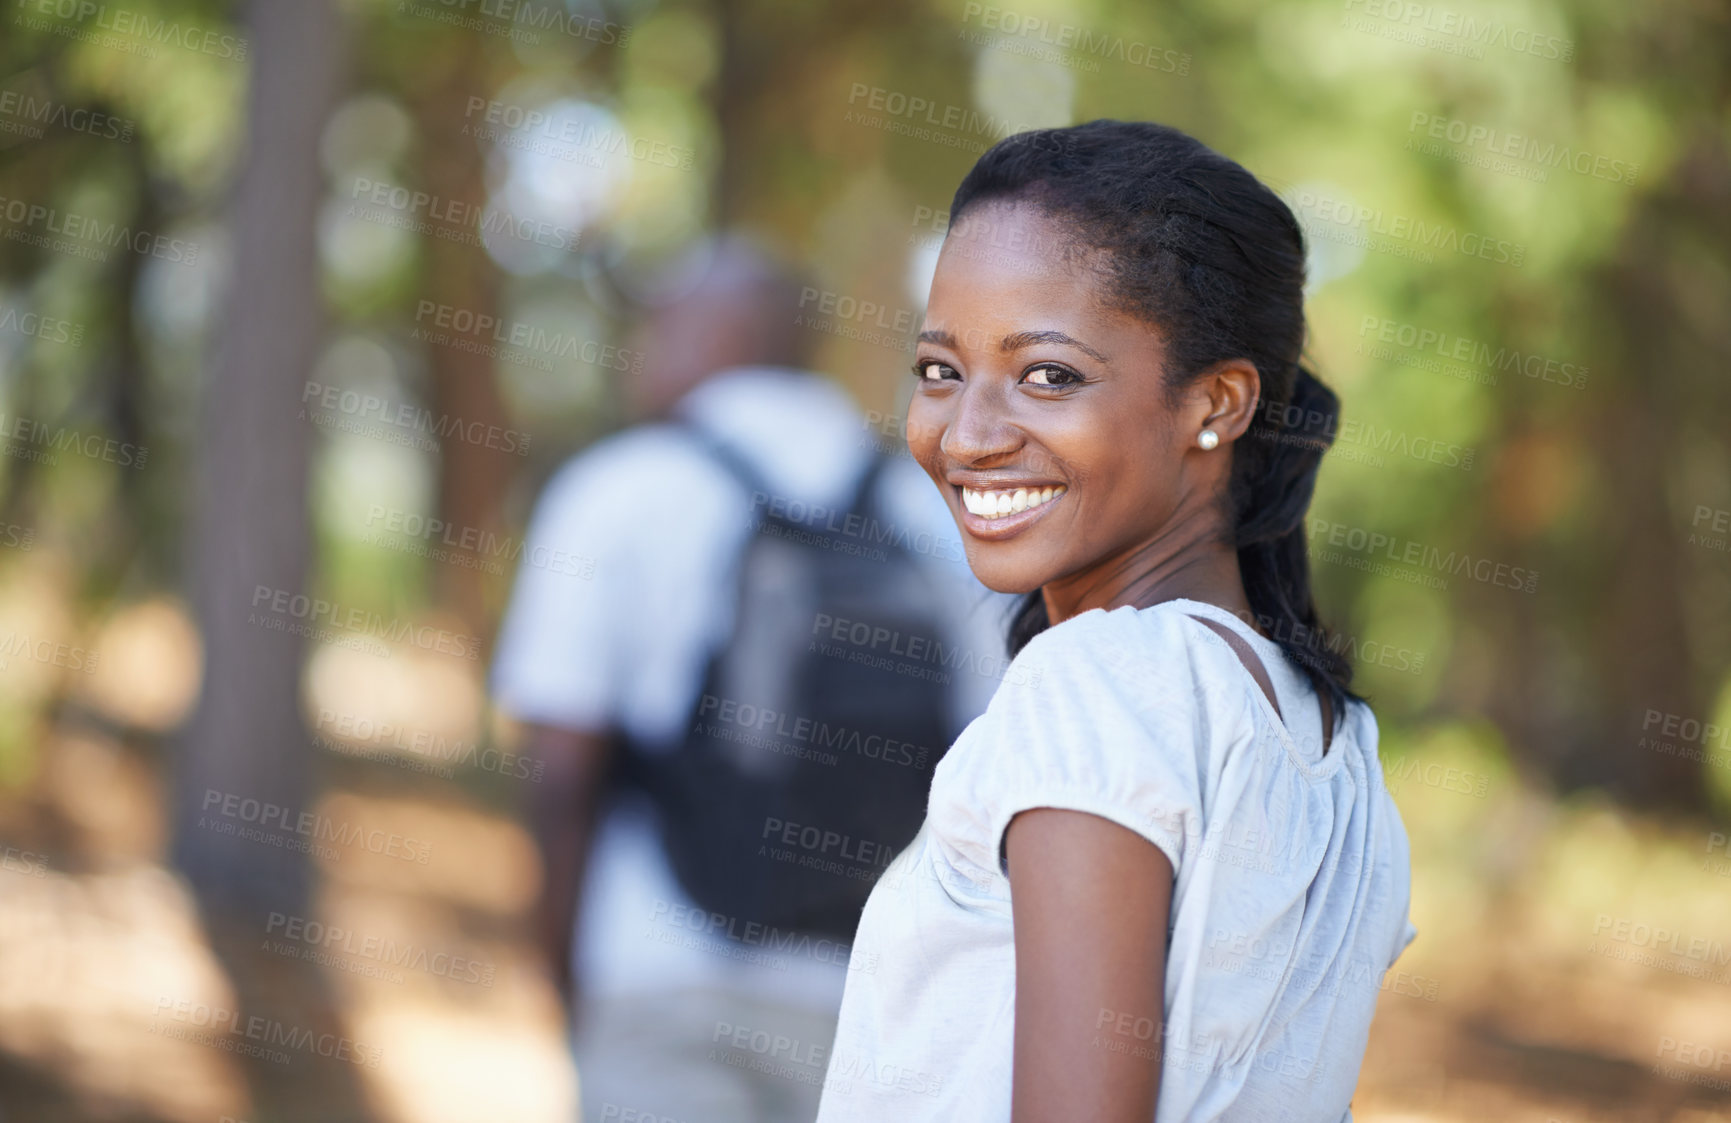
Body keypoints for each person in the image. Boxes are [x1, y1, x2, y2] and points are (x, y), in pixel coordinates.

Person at [814, 121, 1418, 1122]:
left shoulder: (1095, 684)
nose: (967, 434)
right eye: (939, 370)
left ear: (1215, 404)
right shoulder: (1336, 747)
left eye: (1048, 375)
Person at [489, 233, 1009, 1123]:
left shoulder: (618, 491)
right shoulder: (937, 516)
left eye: (656, 328)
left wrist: (563, 983)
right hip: (867, 1009)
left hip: (659, 980)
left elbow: (561, 771)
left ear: (708, 339)